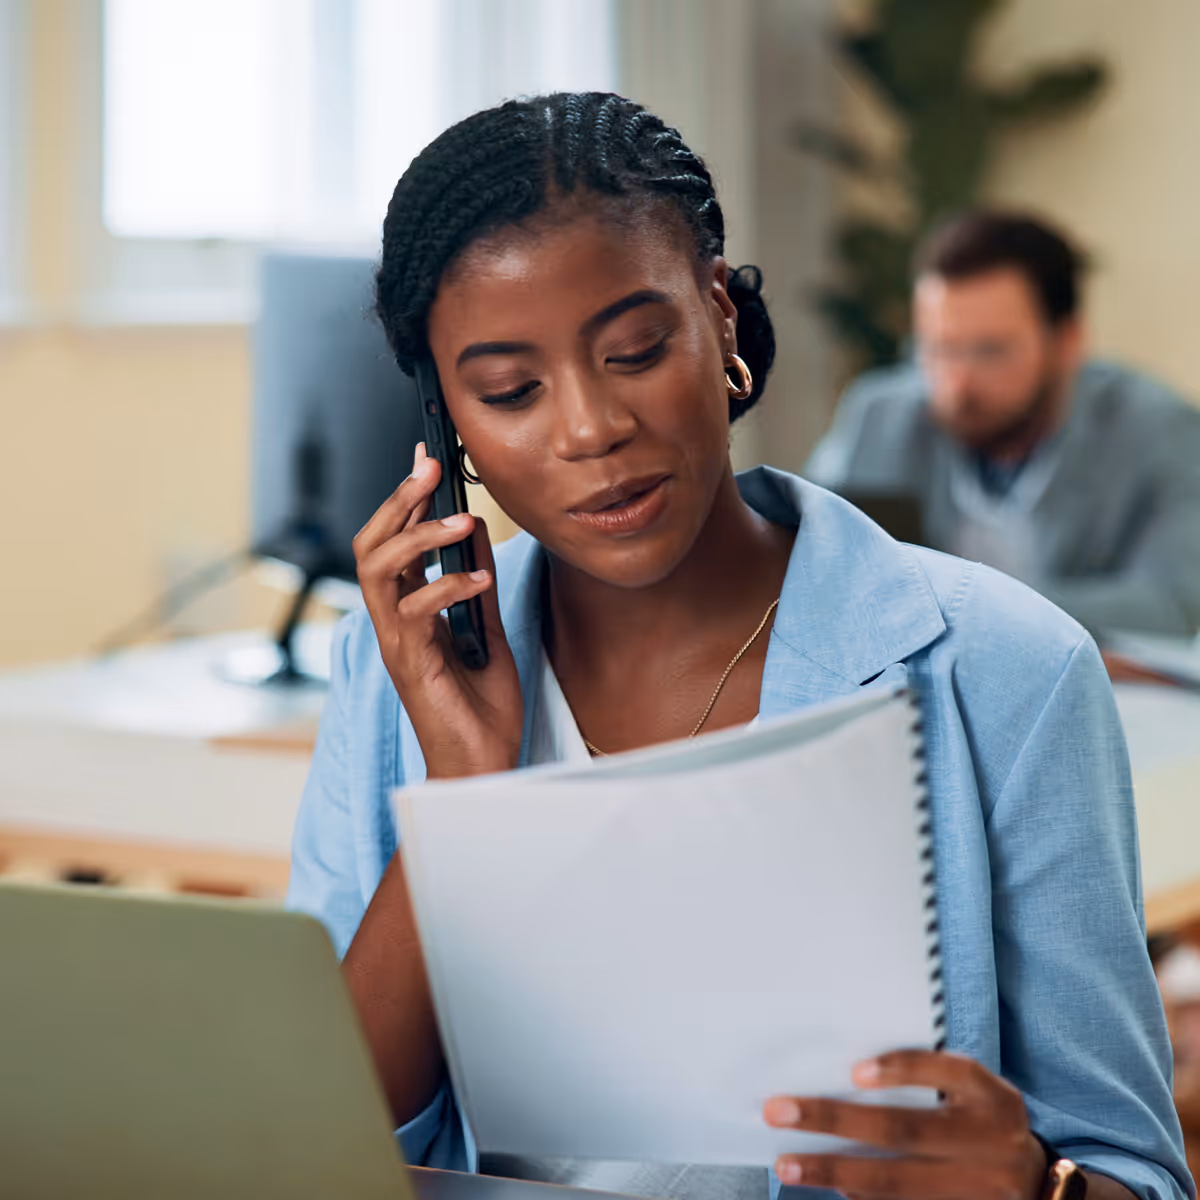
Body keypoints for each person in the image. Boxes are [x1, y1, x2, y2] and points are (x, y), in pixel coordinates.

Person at [287, 94, 1191, 1200]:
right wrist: (462, 794)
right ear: (448, 425)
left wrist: (1034, 1189)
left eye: (634, 349)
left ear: (718, 317)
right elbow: (317, 1136)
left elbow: (1134, 1174)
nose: (589, 429)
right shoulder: (394, 673)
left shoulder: (1009, 670)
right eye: (511, 391)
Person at [804, 210, 1200, 646]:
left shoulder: (1159, 431)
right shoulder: (878, 418)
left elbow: (1176, 604)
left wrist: (962, 604)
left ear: (1068, 340)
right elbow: (811, 563)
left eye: (989, 351)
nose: (957, 384)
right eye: (939, 349)